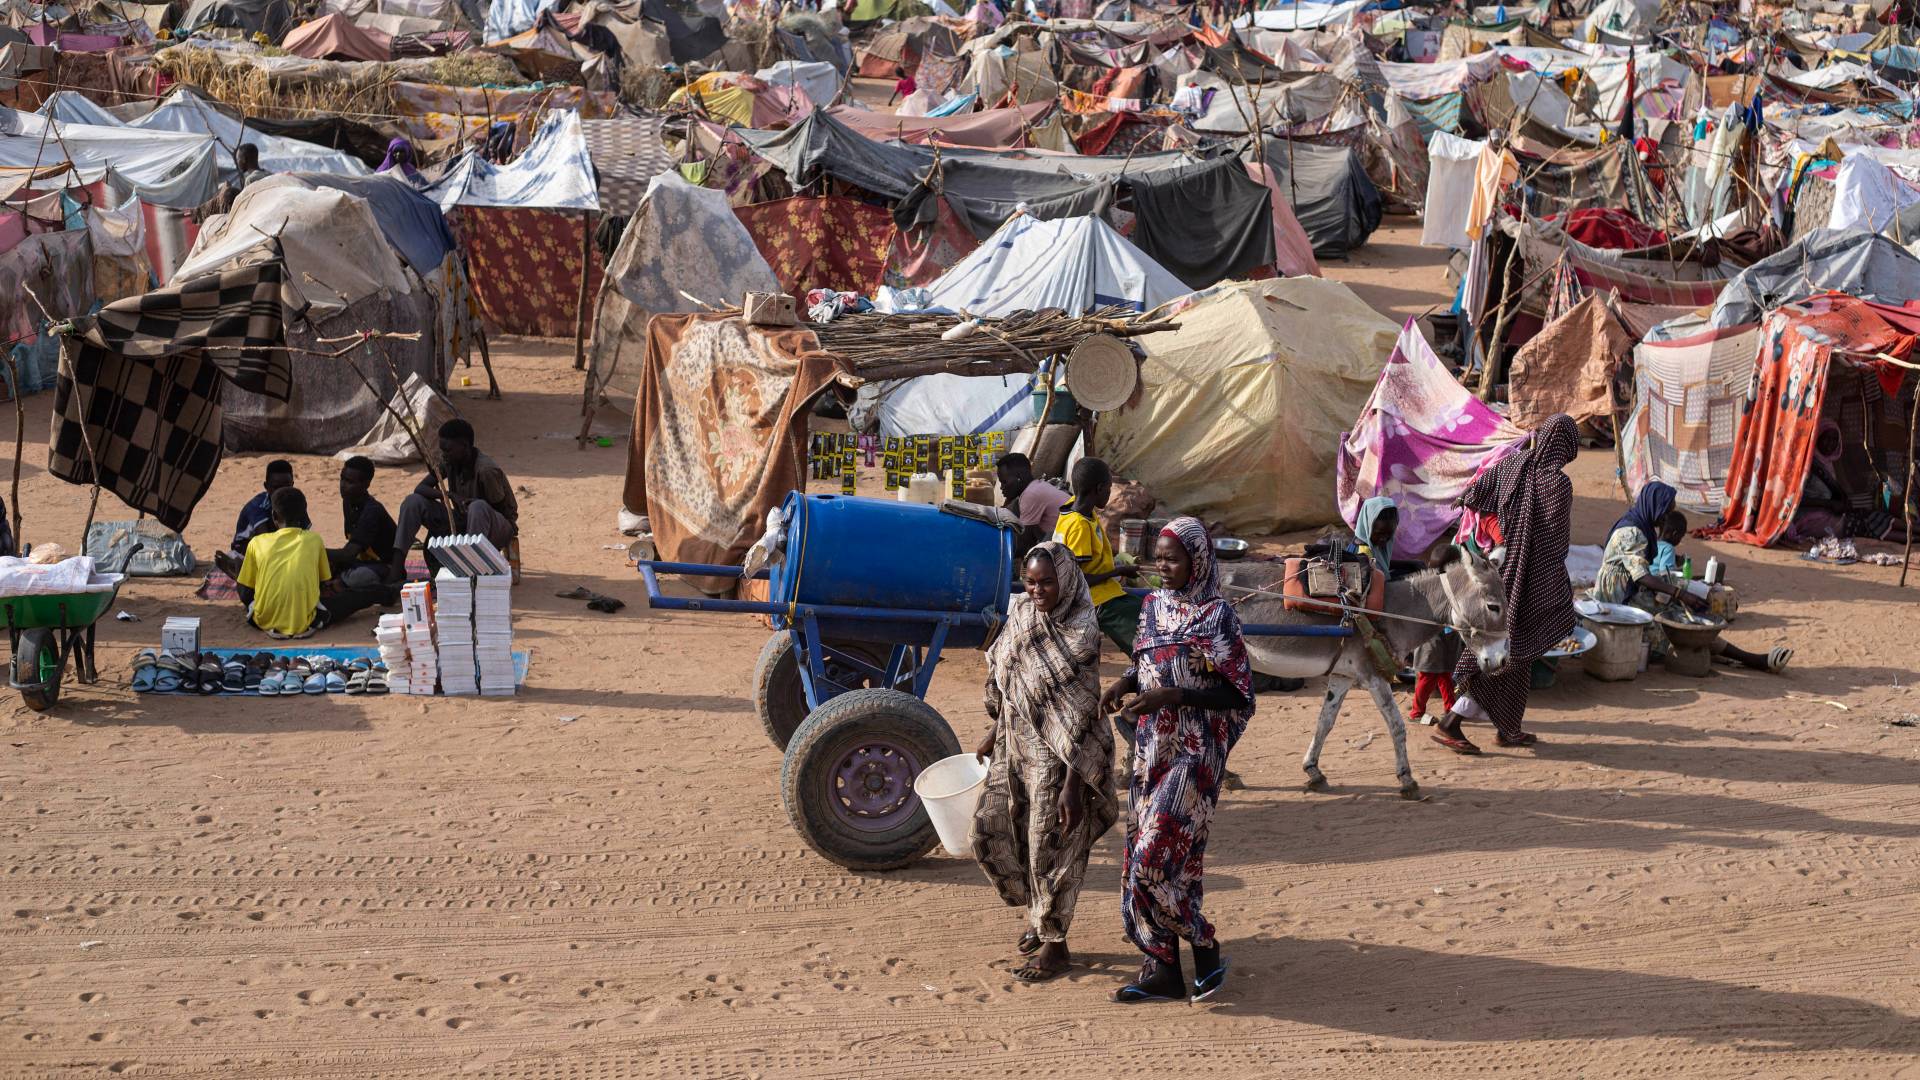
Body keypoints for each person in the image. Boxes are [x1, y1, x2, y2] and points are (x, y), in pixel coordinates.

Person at [1100, 517, 1253, 1004]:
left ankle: (1204, 944)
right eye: (1159, 557)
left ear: (1197, 561)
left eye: (1173, 558)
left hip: (1195, 753)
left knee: (1151, 858)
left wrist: (1174, 695)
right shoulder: (1150, 607)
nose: (1162, 567)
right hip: (1152, 750)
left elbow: (1238, 693)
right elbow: (1147, 659)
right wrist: (1126, 682)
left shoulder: (1218, 617)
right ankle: (1163, 968)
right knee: (1170, 862)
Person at [969, 543, 1118, 984]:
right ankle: (1039, 917)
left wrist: (1074, 784)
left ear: (1066, 581)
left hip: (1059, 761)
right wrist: (995, 732)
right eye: (1031, 581)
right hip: (1015, 747)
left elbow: (1083, 713)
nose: (1037, 590)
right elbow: (1009, 675)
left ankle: (1056, 945)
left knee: (1049, 849)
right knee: (994, 830)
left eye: (1047, 582)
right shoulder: (1023, 614)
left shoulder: (1081, 633)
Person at [1432, 414, 1580, 755]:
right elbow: (1556, 542)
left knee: (1518, 650)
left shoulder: (1514, 464)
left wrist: (1503, 539)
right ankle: (1450, 722)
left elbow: (1475, 493)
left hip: (1500, 568)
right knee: (1509, 650)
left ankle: (1508, 727)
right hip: (1531, 576)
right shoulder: (1556, 483)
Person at [1592, 483, 1790, 673]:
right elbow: (1641, 575)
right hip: (1617, 598)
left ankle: (1744, 658)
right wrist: (1681, 593)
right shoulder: (1632, 532)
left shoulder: (1640, 524)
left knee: (1678, 615)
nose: (1666, 517)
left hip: (1629, 589)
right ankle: (1749, 659)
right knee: (1673, 629)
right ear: (1655, 506)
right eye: (1666, 511)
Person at [236, 488, 391, 638]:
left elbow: (246, 588)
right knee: (358, 596)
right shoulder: (313, 540)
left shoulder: (257, 543)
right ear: (304, 515)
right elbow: (323, 583)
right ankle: (391, 592)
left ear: (274, 516)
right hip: (306, 621)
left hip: (263, 621)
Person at [391, 419, 519, 580]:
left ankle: (471, 571)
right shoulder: (450, 462)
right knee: (413, 502)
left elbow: (501, 510)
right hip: (463, 522)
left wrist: (471, 503)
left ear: (464, 446)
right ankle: (396, 568)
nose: (443, 454)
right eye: (442, 449)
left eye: (448, 450)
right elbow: (421, 488)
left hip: (495, 527)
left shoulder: (486, 470)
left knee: (477, 507)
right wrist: (451, 495)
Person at [1053, 458, 1143, 658]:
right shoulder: (1079, 526)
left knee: (1144, 607)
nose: (1110, 494)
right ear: (1099, 489)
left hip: (1106, 593)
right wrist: (1118, 571)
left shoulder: (1075, 510)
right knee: (1143, 632)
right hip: (1095, 600)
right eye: (1109, 489)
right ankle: (1148, 664)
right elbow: (1079, 580)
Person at [1407, 546, 1463, 724]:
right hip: (1431, 637)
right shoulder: (1431, 585)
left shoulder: (1454, 584)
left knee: (1445, 673)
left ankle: (1450, 709)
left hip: (1447, 636)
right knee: (1428, 675)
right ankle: (1416, 713)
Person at [214, 460, 293, 580]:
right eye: (276, 487)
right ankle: (241, 572)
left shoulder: (296, 502)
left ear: (293, 484)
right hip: (247, 551)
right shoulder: (256, 507)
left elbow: (303, 535)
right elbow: (265, 542)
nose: (282, 492)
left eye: (287, 486)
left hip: (278, 547)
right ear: (266, 487)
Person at [329, 456, 399, 592]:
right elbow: (353, 545)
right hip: (361, 561)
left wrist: (315, 549)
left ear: (366, 484)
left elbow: (348, 554)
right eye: (342, 479)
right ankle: (339, 583)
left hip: (383, 566)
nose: (342, 485)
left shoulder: (372, 511)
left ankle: (341, 584)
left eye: (349, 481)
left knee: (360, 577)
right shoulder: (348, 502)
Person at [997, 453, 1069, 560]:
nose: (1001, 487)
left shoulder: (1031, 495)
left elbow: (1024, 543)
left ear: (1019, 478)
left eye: (1004, 482)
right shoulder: (1036, 487)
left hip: (1068, 550)